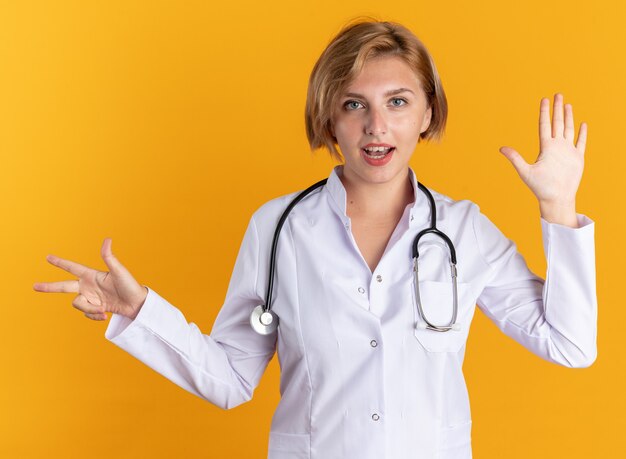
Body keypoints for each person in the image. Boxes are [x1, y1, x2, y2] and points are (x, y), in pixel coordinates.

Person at [34, 19, 597, 459]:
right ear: (329, 118)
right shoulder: (278, 229)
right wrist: (139, 312)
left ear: (428, 113)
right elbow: (230, 378)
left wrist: (557, 206)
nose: (377, 126)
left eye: (398, 102)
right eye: (355, 104)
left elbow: (570, 345)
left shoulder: (463, 232)